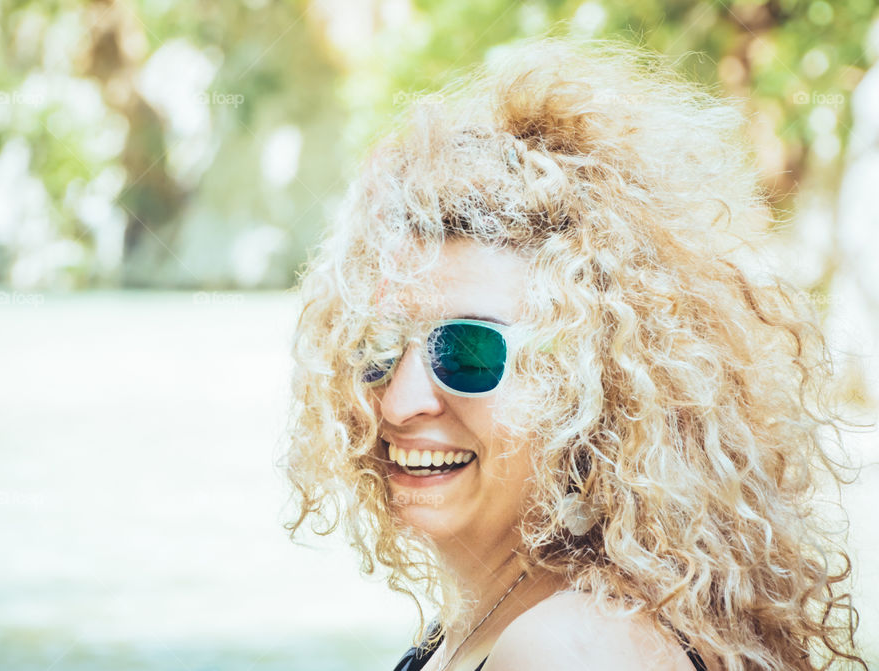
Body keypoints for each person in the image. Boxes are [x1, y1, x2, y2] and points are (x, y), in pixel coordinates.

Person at [280, 34, 868, 671]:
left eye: (468, 351)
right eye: (377, 347)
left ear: (592, 387)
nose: (398, 401)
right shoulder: (500, 621)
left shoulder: (567, 648)